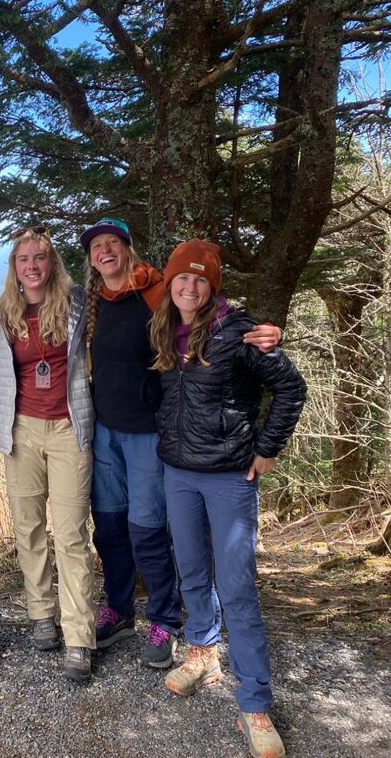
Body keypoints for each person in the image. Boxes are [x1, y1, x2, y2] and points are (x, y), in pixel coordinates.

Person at [81, 218, 281, 668]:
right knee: (109, 526)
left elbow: (209, 321)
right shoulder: (93, 298)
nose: (106, 251)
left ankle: (165, 618)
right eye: (98, 246)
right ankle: (118, 609)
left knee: (147, 528)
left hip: (151, 431)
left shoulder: (159, 293)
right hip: (105, 430)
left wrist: (266, 333)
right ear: (91, 257)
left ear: (129, 248)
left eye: (114, 242)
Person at [150, 239, 305, 758]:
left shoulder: (239, 333)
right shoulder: (164, 331)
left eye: (199, 280)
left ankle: (255, 700)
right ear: (170, 285)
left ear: (212, 287)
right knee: (191, 569)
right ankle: (201, 651)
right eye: (181, 279)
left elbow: (291, 388)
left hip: (228, 477)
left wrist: (268, 449)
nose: (189, 286)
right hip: (177, 472)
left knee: (236, 586)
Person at [0, 227, 96, 681]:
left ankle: (79, 637)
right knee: (28, 528)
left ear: (51, 264)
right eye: (23, 259)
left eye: (40, 258)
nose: (32, 266)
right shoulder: (1, 315)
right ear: (14, 267)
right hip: (22, 430)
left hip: (70, 427)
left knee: (71, 535)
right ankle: (41, 615)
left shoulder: (76, 303)